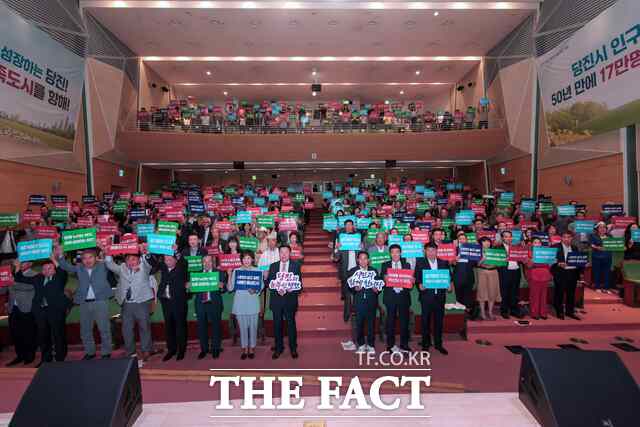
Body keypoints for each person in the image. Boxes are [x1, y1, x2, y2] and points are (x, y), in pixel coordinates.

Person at [57, 246, 113, 360]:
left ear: (96, 258)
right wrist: (61, 254)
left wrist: (105, 249)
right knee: (85, 330)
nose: (87, 260)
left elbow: (109, 260)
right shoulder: (79, 268)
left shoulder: (103, 265)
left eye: (90, 257)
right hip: (84, 303)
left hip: (100, 302)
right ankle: (90, 352)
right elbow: (65, 266)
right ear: (81, 260)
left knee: (104, 329)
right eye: (84, 258)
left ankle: (106, 352)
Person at [104, 248, 157, 361]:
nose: (131, 261)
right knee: (127, 329)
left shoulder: (144, 267)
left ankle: (146, 350)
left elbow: (149, 262)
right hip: (126, 304)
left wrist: (145, 252)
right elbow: (109, 265)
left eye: (134, 259)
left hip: (141, 302)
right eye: (128, 259)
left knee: (144, 327)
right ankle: (130, 351)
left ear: (138, 259)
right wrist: (108, 253)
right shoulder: (122, 268)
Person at [149, 252, 189, 361]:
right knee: (169, 326)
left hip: (178, 301)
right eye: (166, 260)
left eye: (170, 259)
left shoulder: (181, 268)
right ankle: (171, 349)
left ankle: (181, 350)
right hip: (166, 301)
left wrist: (177, 252)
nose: (168, 262)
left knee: (180, 326)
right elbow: (153, 263)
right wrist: (148, 254)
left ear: (175, 260)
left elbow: (184, 262)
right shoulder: (163, 266)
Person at [414, 243, 451, 354]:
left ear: (436, 251)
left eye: (433, 250)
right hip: (426, 297)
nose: (431, 253)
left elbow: (449, 277)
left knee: (439, 322)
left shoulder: (443, 262)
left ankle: (438, 344)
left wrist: (449, 285)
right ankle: (426, 344)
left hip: (440, 297)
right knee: (425, 321)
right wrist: (419, 285)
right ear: (425, 251)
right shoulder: (420, 262)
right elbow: (417, 278)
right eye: (428, 250)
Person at [266, 245, 302, 359]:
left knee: (291, 325)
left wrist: (292, 288)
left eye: (286, 252)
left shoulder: (295, 266)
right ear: (279, 253)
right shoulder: (273, 266)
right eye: (281, 252)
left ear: (290, 253)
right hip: (276, 300)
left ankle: (293, 348)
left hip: (290, 300)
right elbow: (269, 284)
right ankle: (278, 348)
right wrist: (275, 287)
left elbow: (300, 285)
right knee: (277, 325)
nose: (284, 254)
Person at [228, 251, 264, 359]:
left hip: (252, 302)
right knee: (242, 328)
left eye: (249, 258)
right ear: (241, 260)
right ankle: (244, 349)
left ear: (252, 259)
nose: (246, 260)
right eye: (244, 258)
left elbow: (261, 286)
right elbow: (230, 288)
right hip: (240, 304)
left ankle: (252, 348)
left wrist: (256, 290)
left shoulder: (258, 271)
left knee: (253, 327)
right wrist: (229, 274)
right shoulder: (236, 271)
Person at [189, 254, 226, 359]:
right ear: (202, 263)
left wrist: (222, 286)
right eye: (204, 261)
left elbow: (224, 289)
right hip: (200, 304)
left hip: (214, 303)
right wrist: (188, 287)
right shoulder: (196, 274)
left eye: (209, 261)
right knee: (201, 328)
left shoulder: (219, 273)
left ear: (212, 262)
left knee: (216, 327)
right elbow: (191, 291)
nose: (207, 263)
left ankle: (216, 349)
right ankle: (204, 349)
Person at [1, 260, 36, 366]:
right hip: (13, 308)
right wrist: (2, 283)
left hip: (26, 308)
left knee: (28, 334)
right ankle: (20, 355)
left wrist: (12, 280)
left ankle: (29, 357)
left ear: (31, 263)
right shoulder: (10, 275)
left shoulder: (34, 275)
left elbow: (28, 287)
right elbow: (3, 291)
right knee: (16, 334)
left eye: (23, 262)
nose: (20, 264)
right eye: (19, 262)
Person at [380, 244, 413, 353]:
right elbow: (382, 280)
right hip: (391, 297)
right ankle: (390, 345)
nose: (395, 254)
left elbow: (410, 282)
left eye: (397, 252)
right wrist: (385, 279)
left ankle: (404, 345)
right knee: (391, 322)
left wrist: (411, 281)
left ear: (400, 253)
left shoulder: (407, 265)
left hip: (403, 297)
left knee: (404, 322)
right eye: (393, 252)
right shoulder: (385, 265)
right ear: (390, 254)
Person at [346, 251, 381, 353]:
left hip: (371, 300)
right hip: (359, 301)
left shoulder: (373, 271)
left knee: (371, 324)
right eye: (361, 258)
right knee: (359, 323)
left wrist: (377, 289)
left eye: (365, 258)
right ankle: (361, 344)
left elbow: (379, 286)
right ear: (357, 260)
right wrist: (354, 289)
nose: (363, 261)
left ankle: (370, 345)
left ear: (368, 260)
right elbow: (349, 286)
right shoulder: (352, 271)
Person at [333, 219, 362, 321]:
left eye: (351, 225)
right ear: (345, 227)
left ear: (353, 226)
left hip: (357, 270)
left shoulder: (357, 238)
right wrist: (337, 249)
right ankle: (346, 315)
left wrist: (361, 248)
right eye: (347, 225)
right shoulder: (342, 239)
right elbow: (336, 258)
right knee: (347, 294)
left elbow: (363, 256)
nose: (349, 226)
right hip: (346, 270)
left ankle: (357, 313)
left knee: (358, 293)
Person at [552, 231, 583, 320]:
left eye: (568, 237)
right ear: (561, 238)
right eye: (564, 237)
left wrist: (583, 264)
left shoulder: (574, 247)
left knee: (571, 294)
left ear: (571, 238)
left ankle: (570, 311)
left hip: (572, 273)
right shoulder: (555, 247)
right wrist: (558, 263)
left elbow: (578, 260)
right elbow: (550, 260)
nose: (566, 239)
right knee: (559, 293)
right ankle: (559, 311)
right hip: (560, 273)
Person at [497, 231, 523, 319]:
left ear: (512, 238)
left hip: (516, 271)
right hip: (505, 272)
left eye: (509, 237)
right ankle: (504, 311)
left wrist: (522, 258)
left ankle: (514, 310)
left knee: (515, 292)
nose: (508, 238)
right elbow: (495, 261)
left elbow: (521, 259)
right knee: (505, 292)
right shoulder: (498, 248)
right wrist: (503, 260)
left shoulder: (517, 247)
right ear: (502, 238)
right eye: (506, 237)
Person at [526, 237, 552, 320]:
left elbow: (549, 266)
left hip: (545, 275)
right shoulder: (529, 253)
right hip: (534, 276)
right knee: (534, 296)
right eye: (535, 242)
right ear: (532, 244)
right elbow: (528, 265)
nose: (537, 244)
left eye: (539, 243)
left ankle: (543, 313)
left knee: (544, 296)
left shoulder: (545, 252)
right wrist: (533, 260)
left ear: (541, 244)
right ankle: (534, 313)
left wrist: (552, 262)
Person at [475, 237, 501, 320]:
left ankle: (490, 312)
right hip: (482, 272)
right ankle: (482, 313)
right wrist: (483, 259)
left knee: (492, 292)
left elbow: (499, 264)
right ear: (481, 243)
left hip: (493, 272)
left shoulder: (494, 252)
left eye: (488, 242)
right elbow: (477, 264)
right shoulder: (478, 252)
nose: (487, 243)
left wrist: (501, 261)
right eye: (484, 242)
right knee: (482, 292)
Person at [452, 233, 476, 317]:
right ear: (458, 240)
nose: (462, 240)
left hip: (468, 275)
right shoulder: (454, 249)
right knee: (459, 295)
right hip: (458, 276)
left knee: (468, 294)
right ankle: (460, 313)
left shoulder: (471, 250)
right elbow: (452, 263)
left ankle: (469, 312)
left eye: (463, 239)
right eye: (460, 239)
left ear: (466, 240)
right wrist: (455, 259)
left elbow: (474, 263)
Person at [590, 222, 613, 293]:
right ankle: (597, 287)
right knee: (597, 272)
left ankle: (606, 288)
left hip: (607, 256)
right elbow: (591, 244)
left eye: (604, 227)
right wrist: (597, 247)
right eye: (600, 227)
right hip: (597, 256)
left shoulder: (610, 236)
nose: (602, 229)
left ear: (606, 229)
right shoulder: (593, 236)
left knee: (607, 272)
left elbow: (614, 244)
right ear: (597, 229)